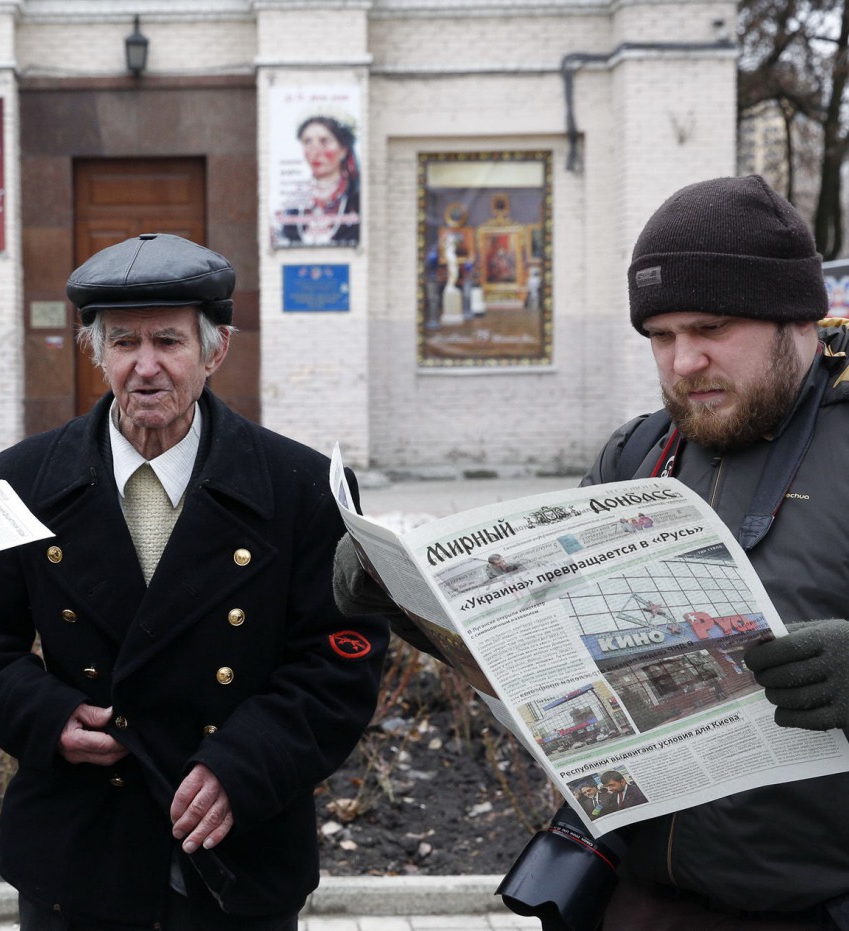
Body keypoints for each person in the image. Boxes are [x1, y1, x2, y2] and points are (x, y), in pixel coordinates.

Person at [335, 174, 849, 928]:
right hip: (636, 900)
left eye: (709, 329)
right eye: (661, 336)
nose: (681, 363)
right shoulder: (637, 450)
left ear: (796, 318)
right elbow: (532, 649)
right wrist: (404, 598)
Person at [0, 232, 388, 929]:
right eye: (123, 342)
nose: (145, 367)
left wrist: (242, 764)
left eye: (169, 340)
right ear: (95, 352)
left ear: (215, 351)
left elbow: (342, 655)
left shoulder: (302, 488)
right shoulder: (21, 480)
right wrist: (45, 715)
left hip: (236, 847)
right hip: (78, 848)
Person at [273, 114, 361, 247]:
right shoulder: (292, 203)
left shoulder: (357, 198)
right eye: (307, 142)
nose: (315, 151)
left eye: (324, 141)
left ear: (343, 150)